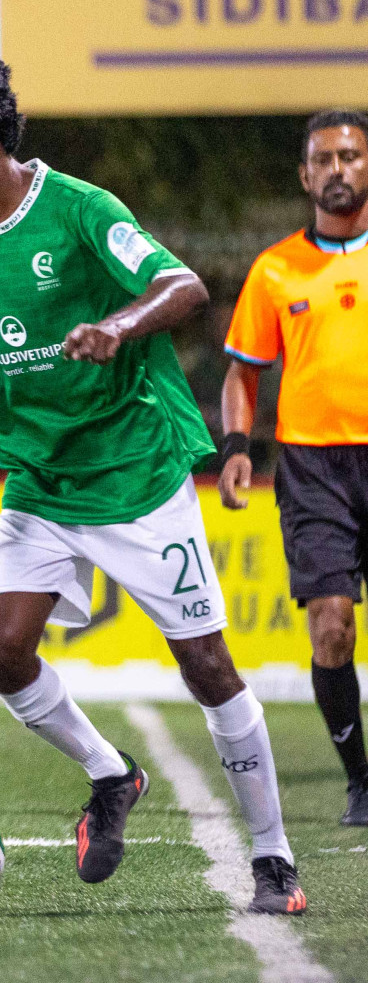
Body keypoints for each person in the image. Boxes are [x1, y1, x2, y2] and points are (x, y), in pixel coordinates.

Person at [0, 42, 303, 914]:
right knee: (2, 651)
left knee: (208, 666)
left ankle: (273, 860)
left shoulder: (78, 209)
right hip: (39, 485)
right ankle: (112, 776)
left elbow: (183, 286)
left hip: (135, 477)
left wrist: (118, 324)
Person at [220, 110, 368, 827]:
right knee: (332, 628)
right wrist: (237, 447)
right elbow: (242, 372)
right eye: (325, 159)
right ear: (306, 175)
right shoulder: (276, 268)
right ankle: (361, 782)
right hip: (312, 468)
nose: (339, 168)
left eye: (351, 155)